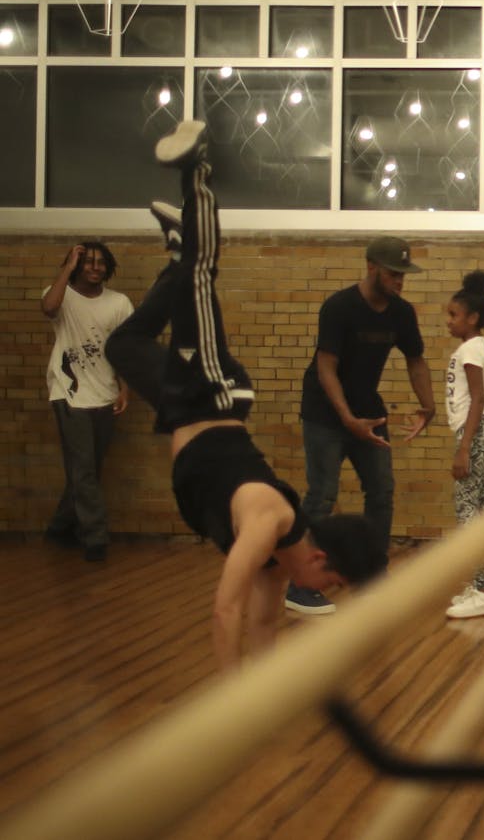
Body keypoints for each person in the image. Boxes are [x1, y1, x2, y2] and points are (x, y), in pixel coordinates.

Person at [105, 120, 386, 671]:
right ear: (321, 559)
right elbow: (223, 611)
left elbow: (260, 624)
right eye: (329, 586)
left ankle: (178, 254)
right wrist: (230, 707)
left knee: (123, 343)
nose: (319, 591)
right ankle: (197, 171)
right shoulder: (268, 521)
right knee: (201, 278)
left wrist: (259, 703)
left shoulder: (277, 559)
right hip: (210, 393)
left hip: (184, 406)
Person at [287, 234, 437, 614]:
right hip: (325, 411)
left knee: (382, 491)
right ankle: (300, 585)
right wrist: (347, 419)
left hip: (368, 409)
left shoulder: (402, 313)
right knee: (322, 494)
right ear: (372, 266)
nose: (400, 281)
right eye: (393, 273)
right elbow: (326, 367)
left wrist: (428, 407)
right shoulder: (339, 307)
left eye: (404, 274)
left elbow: (415, 360)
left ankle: (373, 576)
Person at [41, 240, 133, 562]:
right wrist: (66, 267)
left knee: (88, 469)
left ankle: (59, 527)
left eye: (100, 263)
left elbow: (123, 349)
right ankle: (95, 538)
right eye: (87, 262)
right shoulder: (61, 294)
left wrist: (124, 388)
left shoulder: (119, 303)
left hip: (105, 394)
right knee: (84, 470)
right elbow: (48, 308)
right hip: (69, 393)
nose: (95, 268)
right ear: (77, 265)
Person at [443, 271, 484, 620]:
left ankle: (483, 591)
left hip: (475, 433)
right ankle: (483, 587)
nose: (449, 322)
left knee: (469, 513)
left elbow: (479, 399)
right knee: (478, 509)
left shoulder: (471, 349)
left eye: (454, 315)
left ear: (473, 318)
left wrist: (464, 447)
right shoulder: (474, 347)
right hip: (479, 431)